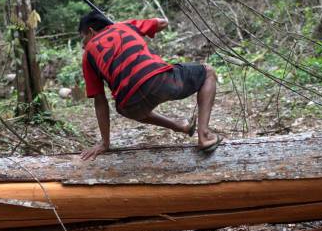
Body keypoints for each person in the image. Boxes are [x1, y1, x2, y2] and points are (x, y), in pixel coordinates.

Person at [78, 11, 222, 160]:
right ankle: (204, 135)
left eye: (83, 38)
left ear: (91, 31)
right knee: (208, 72)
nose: (83, 45)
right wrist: (124, 25)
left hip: (129, 105)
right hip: (161, 81)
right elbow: (162, 22)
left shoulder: (88, 55)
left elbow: (100, 101)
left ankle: (179, 126)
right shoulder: (124, 26)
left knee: (124, 107)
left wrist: (105, 143)